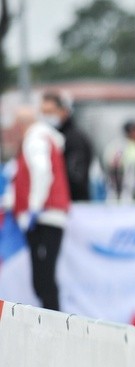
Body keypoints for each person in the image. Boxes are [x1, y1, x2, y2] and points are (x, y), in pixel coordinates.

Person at [12, 105, 72, 311]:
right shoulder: (45, 138)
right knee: (43, 278)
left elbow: (42, 171)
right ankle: (51, 319)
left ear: (21, 125)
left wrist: (34, 207)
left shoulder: (35, 139)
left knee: (43, 279)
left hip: (44, 216)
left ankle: (53, 322)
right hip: (47, 215)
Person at [40, 90, 93, 202]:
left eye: (50, 112)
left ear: (64, 111)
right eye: (43, 112)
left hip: (74, 203)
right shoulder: (46, 137)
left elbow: (76, 178)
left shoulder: (74, 139)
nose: (46, 117)